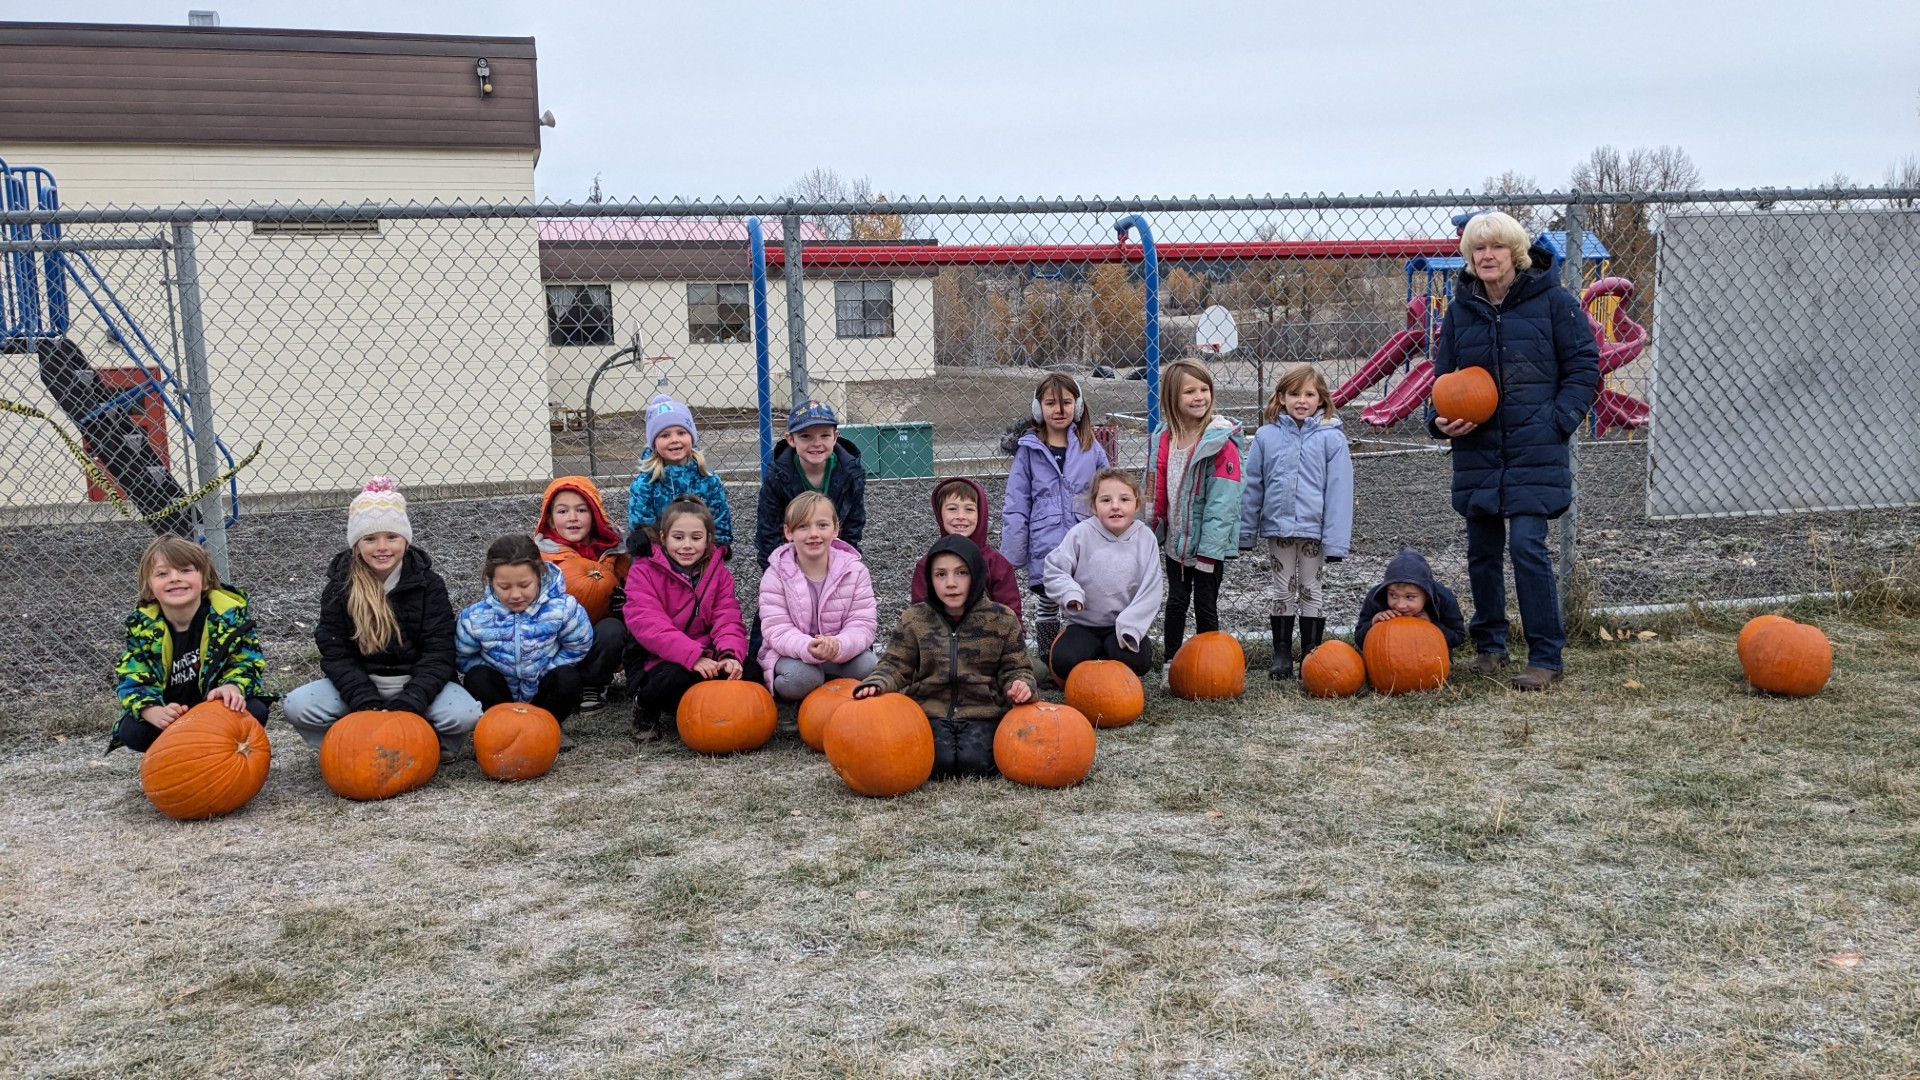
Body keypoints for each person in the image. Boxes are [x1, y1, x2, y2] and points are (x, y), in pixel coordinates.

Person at [1430, 211, 1600, 690]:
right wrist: (1439, 422)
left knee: (1527, 546)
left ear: (1515, 253)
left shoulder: (1553, 302)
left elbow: (1585, 365)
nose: (1487, 256)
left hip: (1534, 446)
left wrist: (1560, 421)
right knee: (1482, 549)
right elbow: (1442, 378)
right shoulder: (1461, 310)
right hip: (1478, 447)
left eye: (1497, 248)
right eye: (1478, 249)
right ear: (1469, 256)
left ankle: (1546, 655)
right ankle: (1490, 646)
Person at [283, 477, 482, 755]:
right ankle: (350, 746)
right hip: (363, 680)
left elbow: (439, 652)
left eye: (392, 536)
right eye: (370, 539)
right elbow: (336, 652)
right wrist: (366, 701)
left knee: (464, 714)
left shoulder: (429, 584)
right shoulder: (340, 586)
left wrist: (411, 701)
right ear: (357, 544)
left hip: (415, 679)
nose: (382, 547)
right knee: (298, 705)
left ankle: (431, 747)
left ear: (405, 539)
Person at [855, 535, 1035, 780]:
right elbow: (896, 664)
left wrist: (1021, 685)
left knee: (977, 764)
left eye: (961, 573)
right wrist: (877, 682)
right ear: (930, 578)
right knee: (938, 763)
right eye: (941, 575)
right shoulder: (915, 619)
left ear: (977, 573)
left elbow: (1016, 667)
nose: (951, 583)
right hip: (930, 711)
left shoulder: (1001, 619)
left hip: (982, 711)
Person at [1240, 363, 1354, 679]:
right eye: (1294, 394)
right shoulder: (1266, 436)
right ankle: (1281, 654)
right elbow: (1253, 486)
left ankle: (1311, 654)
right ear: (1281, 397)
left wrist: (1334, 541)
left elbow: (1340, 492)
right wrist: (1246, 532)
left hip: (1314, 531)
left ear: (1321, 399)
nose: (1301, 400)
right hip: (1279, 529)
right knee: (1282, 589)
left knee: (1310, 589)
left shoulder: (1332, 438)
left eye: (1309, 393)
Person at [110, 535, 270, 753]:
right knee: (133, 731)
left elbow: (247, 663)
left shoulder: (230, 619)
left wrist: (233, 686)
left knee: (254, 710)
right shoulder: (143, 628)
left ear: (205, 580)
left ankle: (217, 752)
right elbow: (133, 676)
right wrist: (152, 709)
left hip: (214, 708)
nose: (175, 578)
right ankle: (176, 756)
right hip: (172, 712)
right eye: (163, 573)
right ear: (149, 586)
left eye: (185, 570)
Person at [752, 399, 869, 683]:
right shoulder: (778, 476)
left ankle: (830, 667)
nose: (816, 443)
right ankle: (769, 674)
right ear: (791, 439)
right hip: (791, 563)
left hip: (831, 558)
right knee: (770, 629)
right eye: (806, 436)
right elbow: (768, 532)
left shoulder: (850, 473)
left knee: (858, 648)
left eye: (824, 436)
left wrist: (840, 563)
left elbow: (853, 525)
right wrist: (785, 572)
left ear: (835, 437)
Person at [622, 495, 748, 742]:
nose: (687, 545)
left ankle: (709, 708)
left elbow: (728, 618)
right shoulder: (643, 571)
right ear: (663, 537)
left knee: (749, 671)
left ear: (709, 539)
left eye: (696, 538)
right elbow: (650, 626)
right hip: (655, 659)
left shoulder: (718, 574)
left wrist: (729, 656)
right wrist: (692, 656)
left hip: (707, 654)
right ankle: (644, 706)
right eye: (678, 538)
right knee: (674, 677)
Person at [1002, 372, 1108, 657]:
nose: (1059, 410)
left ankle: (1079, 655)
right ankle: (1049, 658)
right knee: (1048, 602)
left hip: (1084, 544)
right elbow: (1016, 503)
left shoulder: (1091, 448)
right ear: (1038, 409)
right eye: (1050, 403)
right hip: (1046, 544)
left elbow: (1106, 494)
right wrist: (1012, 553)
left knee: (1081, 602)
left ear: (1079, 406)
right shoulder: (1029, 451)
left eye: (1066, 402)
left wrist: (1110, 538)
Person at [1147, 356, 1245, 667]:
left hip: (1207, 546)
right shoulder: (1163, 438)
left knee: (1205, 603)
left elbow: (1223, 503)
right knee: (1175, 602)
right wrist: (1152, 529)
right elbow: (1154, 488)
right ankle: (1171, 664)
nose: (1199, 396)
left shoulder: (1220, 444)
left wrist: (1209, 551)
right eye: (1190, 391)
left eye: (1204, 389)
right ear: (1172, 398)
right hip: (1176, 541)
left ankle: (1209, 665)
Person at [456, 534, 593, 731]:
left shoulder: (563, 609)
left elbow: (578, 644)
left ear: (539, 575)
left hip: (543, 691)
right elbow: (463, 657)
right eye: (504, 587)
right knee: (477, 677)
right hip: (500, 694)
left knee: (568, 678)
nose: (515, 595)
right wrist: (495, 669)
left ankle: (548, 728)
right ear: (491, 581)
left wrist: (547, 669)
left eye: (524, 585)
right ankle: (501, 728)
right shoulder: (476, 618)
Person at [1042, 468, 1163, 680]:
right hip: (1083, 625)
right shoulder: (1081, 534)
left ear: (1136, 505)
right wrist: (1069, 592)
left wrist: (1132, 625)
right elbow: (1054, 569)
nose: (1115, 506)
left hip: (1122, 627)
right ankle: (1092, 655)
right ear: (1093, 506)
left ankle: (1108, 656)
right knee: (1063, 662)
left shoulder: (1145, 539)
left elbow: (1151, 590)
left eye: (1124, 499)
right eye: (1106, 500)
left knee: (1139, 662)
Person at [757, 492, 879, 702]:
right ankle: (799, 701)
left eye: (822, 525)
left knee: (869, 666)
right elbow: (776, 628)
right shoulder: (776, 574)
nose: (814, 533)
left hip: (838, 651)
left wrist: (838, 644)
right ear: (789, 532)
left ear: (835, 529)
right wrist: (808, 647)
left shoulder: (855, 571)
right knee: (801, 677)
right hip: (794, 654)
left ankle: (831, 690)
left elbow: (862, 623)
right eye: (803, 526)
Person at [534, 476, 631, 712]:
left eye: (581, 510)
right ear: (549, 517)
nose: (572, 518)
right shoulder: (540, 556)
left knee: (613, 630)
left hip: (599, 626)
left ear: (595, 514)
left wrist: (626, 602)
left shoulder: (615, 552)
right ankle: (556, 680)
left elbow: (635, 588)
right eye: (563, 511)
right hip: (558, 633)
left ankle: (593, 683)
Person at [909, 477, 1022, 634]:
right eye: (952, 509)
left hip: (988, 644)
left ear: (981, 513)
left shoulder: (997, 564)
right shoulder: (927, 564)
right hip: (940, 646)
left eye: (969, 509)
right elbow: (919, 615)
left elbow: (1012, 615)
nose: (960, 516)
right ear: (939, 514)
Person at [627, 393, 733, 552]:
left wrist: (718, 547)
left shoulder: (708, 480)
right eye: (665, 435)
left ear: (691, 437)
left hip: (700, 555)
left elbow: (719, 520)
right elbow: (641, 526)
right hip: (660, 560)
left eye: (681, 433)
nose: (674, 440)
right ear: (654, 444)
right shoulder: (645, 485)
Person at [1352, 547, 1468, 652]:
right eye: (1393, 595)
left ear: (1426, 594)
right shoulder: (1375, 598)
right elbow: (1359, 639)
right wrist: (1373, 623)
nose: (1400, 605)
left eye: (1409, 597)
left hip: (1429, 657)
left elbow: (1458, 638)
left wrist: (1432, 624)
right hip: (1388, 656)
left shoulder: (1444, 598)